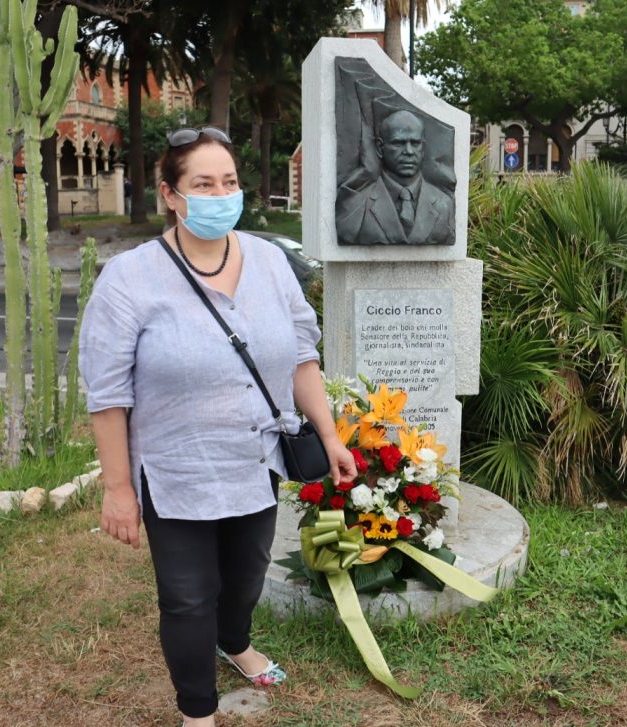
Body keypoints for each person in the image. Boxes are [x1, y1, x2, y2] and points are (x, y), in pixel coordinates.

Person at [80, 126, 357, 727]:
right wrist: (118, 489)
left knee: (244, 581)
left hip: (256, 464)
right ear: (171, 195)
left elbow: (302, 357)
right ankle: (197, 711)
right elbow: (108, 397)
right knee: (186, 598)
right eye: (202, 183)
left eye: (228, 181)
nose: (219, 194)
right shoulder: (129, 279)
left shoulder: (269, 262)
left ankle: (235, 642)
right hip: (176, 472)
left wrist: (330, 436)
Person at [336, 108, 455, 246]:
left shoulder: (445, 205)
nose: (409, 152)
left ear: (423, 148)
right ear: (380, 148)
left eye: (415, 143)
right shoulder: (355, 207)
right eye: (399, 143)